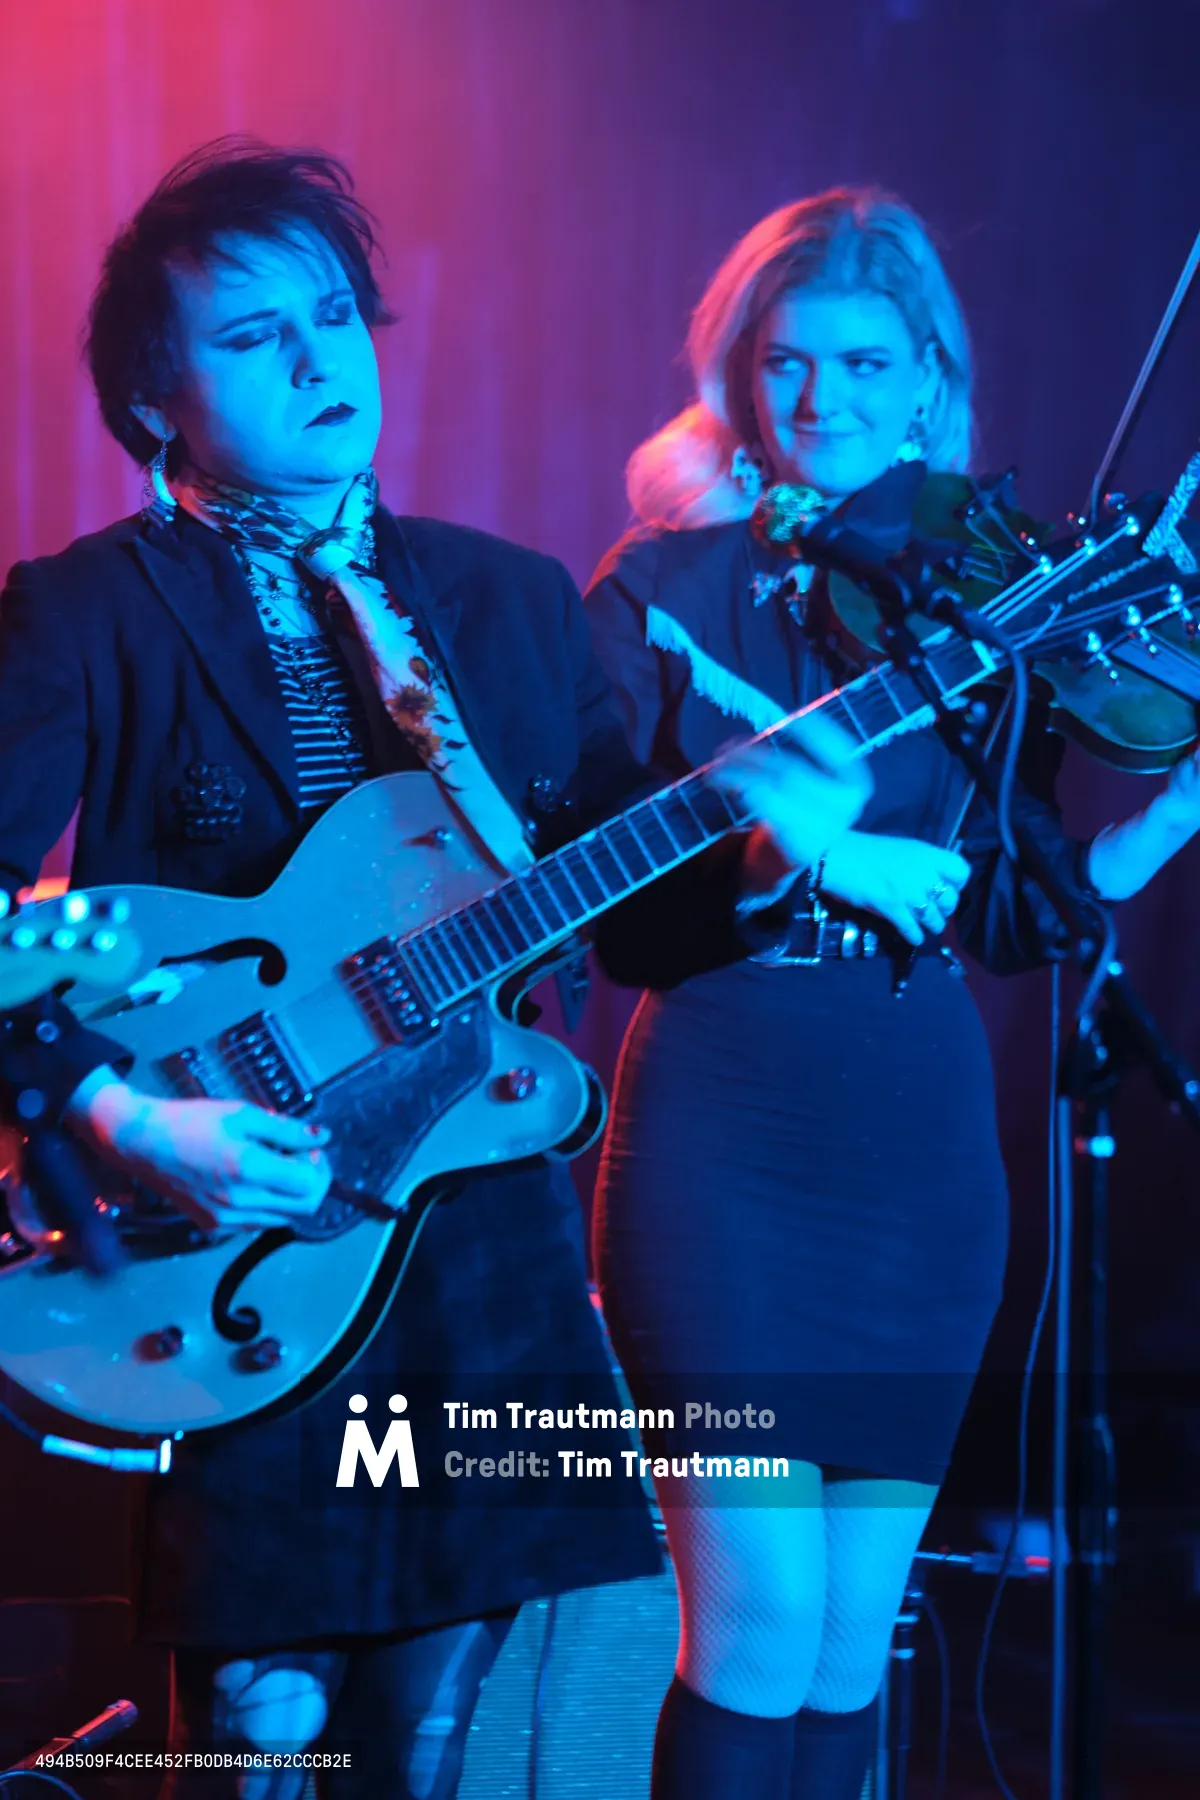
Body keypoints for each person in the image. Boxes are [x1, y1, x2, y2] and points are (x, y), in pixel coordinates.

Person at [0, 144, 870, 1800]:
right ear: (155, 399)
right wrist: (115, 1113)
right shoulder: (88, 612)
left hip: (474, 1234)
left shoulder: (511, 602)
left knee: (431, 1746)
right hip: (236, 1221)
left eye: (336, 317)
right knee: (255, 1736)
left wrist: (771, 848)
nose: (323, 361)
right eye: (255, 338)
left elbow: (635, 923)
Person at [584, 187, 1200, 1800]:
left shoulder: (976, 601)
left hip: (918, 1158)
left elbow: (1008, 904)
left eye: (866, 368)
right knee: (759, 1630)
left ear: (930, 381)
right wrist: (796, 854)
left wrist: (1171, 814)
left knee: (854, 1645)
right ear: (739, 379)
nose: (823, 405)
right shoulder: (666, 583)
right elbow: (596, 891)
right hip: (726, 1122)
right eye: (785, 368)